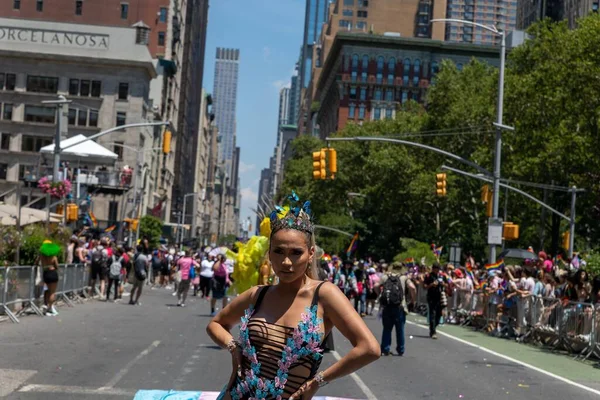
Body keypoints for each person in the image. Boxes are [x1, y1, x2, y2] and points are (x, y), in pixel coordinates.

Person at [206, 194, 379, 400]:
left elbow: (369, 348)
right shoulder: (257, 295)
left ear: (311, 253)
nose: (286, 262)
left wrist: (318, 382)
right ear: (269, 254)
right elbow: (215, 324)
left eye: (296, 252)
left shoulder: (324, 295)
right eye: (278, 251)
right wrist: (233, 347)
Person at [378, 263, 408, 356]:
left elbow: (375, 285)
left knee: (387, 328)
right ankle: (400, 349)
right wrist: (412, 300)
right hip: (400, 306)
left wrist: (380, 296)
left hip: (387, 306)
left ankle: (385, 348)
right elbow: (413, 287)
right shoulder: (403, 278)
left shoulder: (385, 277)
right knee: (400, 329)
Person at [423, 262, 447, 339]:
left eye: (438, 269)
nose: (437, 271)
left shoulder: (442, 276)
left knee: (439, 314)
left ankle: (433, 327)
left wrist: (443, 284)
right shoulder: (428, 276)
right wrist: (432, 284)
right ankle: (433, 331)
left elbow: (447, 285)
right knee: (432, 313)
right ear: (433, 269)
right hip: (431, 296)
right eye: (436, 269)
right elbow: (424, 286)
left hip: (440, 297)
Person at [38, 240, 61, 316]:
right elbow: (56, 266)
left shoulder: (41, 255)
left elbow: (36, 261)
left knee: (47, 290)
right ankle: (49, 308)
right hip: (52, 272)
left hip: (45, 273)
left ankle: (47, 306)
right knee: (52, 292)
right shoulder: (53, 256)